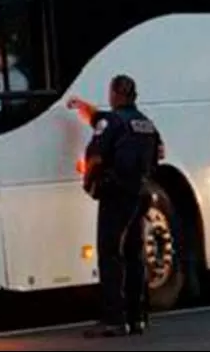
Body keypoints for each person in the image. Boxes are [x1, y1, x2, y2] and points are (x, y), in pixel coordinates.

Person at [68, 75, 163, 338]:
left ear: (114, 95)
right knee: (134, 254)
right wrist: (82, 108)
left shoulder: (112, 122)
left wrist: (90, 182)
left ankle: (113, 319)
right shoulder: (146, 124)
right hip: (141, 193)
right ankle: (137, 318)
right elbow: (160, 153)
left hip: (117, 194)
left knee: (110, 254)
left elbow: (96, 155)